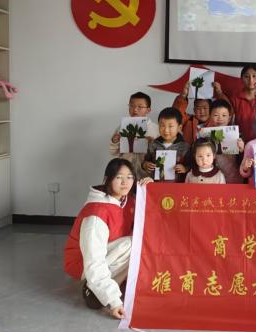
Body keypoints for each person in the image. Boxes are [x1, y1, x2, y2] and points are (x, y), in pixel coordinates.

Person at [63, 158, 150, 319]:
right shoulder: (96, 214)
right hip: (85, 264)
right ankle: (96, 288)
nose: (125, 182)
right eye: (119, 177)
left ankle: (111, 285)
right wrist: (113, 301)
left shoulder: (126, 200)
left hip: (109, 252)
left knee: (142, 238)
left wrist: (150, 188)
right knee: (134, 244)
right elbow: (93, 260)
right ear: (107, 179)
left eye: (129, 177)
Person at [109, 92, 158, 179]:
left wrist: (152, 143)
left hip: (146, 175)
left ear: (148, 110)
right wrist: (114, 141)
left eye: (140, 107)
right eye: (131, 106)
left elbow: (160, 153)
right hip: (126, 174)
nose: (135, 109)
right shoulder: (122, 127)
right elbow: (113, 152)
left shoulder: (155, 129)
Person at [223, 65, 256, 142]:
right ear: (241, 79)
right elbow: (229, 121)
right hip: (240, 142)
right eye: (246, 76)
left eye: (254, 76)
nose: (251, 80)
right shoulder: (234, 99)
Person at [142, 107, 190, 183]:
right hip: (156, 185)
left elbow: (191, 166)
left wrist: (185, 168)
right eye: (162, 125)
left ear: (179, 127)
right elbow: (145, 161)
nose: (166, 130)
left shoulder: (185, 147)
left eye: (170, 126)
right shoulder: (153, 144)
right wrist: (145, 165)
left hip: (177, 186)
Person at [172, 80, 226, 145]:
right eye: (198, 108)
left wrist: (219, 93)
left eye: (205, 108)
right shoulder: (188, 120)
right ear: (194, 110)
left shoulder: (217, 122)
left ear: (211, 109)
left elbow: (227, 112)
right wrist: (183, 95)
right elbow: (175, 115)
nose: (202, 111)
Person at [207, 99, 244, 183]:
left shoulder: (237, 136)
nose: (220, 118)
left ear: (229, 118)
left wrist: (242, 150)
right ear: (210, 116)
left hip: (233, 179)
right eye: (216, 115)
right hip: (213, 179)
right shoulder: (206, 136)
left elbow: (243, 161)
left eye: (224, 115)